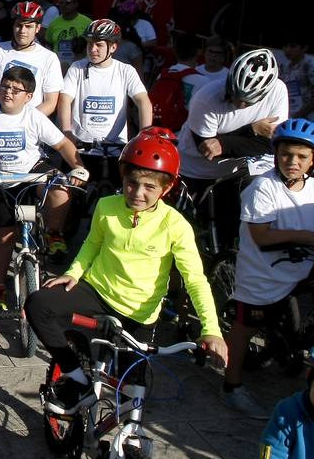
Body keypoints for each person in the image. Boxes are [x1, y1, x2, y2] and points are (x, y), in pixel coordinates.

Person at [27, 129, 228, 415]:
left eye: (149, 187)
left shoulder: (175, 225)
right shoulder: (107, 205)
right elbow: (91, 245)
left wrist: (211, 330)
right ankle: (77, 379)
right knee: (38, 303)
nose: (137, 193)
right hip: (97, 292)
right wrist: (73, 273)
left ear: (165, 189)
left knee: (131, 392)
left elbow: (195, 279)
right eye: (132, 183)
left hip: (138, 314)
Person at [223, 120, 314, 419]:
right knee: (245, 326)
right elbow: (261, 236)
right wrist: (309, 238)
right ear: (276, 154)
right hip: (261, 273)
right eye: (286, 155)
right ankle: (232, 385)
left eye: (301, 157)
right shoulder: (263, 187)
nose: (292, 162)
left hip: (300, 270)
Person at [0, 65, 88, 306]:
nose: (8, 92)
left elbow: (63, 145)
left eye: (16, 89)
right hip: (2, 180)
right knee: (4, 237)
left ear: (29, 97)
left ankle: (53, 231)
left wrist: (80, 168)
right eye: (4, 86)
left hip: (33, 170)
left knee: (59, 189)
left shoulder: (34, 116)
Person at [178, 48, 289, 246]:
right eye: (234, 95)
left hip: (236, 170)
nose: (238, 102)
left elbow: (271, 144)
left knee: (229, 228)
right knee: (185, 231)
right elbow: (207, 150)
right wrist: (252, 130)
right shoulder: (206, 97)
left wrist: (225, 142)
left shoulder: (278, 91)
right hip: (196, 169)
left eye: (246, 101)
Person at [57, 18, 152, 162]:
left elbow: (143, 101)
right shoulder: (77, 67)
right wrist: (67, 132)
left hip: (116, 149)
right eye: (89, 43)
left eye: (99, 45)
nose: (92, 49)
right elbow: (64, 100)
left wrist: (144, 136)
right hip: (80, 149)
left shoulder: (125, 70)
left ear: (113, 47)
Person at [0, 1, 62, 116]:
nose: (22, 31)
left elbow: (50, 102)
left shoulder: (49, 58)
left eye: (28, 26)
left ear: (38, 28)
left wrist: (26, 122)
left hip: (28, 127)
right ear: (13, 25)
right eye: (19, 25)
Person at [43, 0, 90, 69]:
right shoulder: (53, 23)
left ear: (76, 4)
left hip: (80, 68)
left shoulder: (87, 23)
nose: (63, 5)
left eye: (68, 2)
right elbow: (48, 44)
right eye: (60, 3)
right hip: (58, 69)